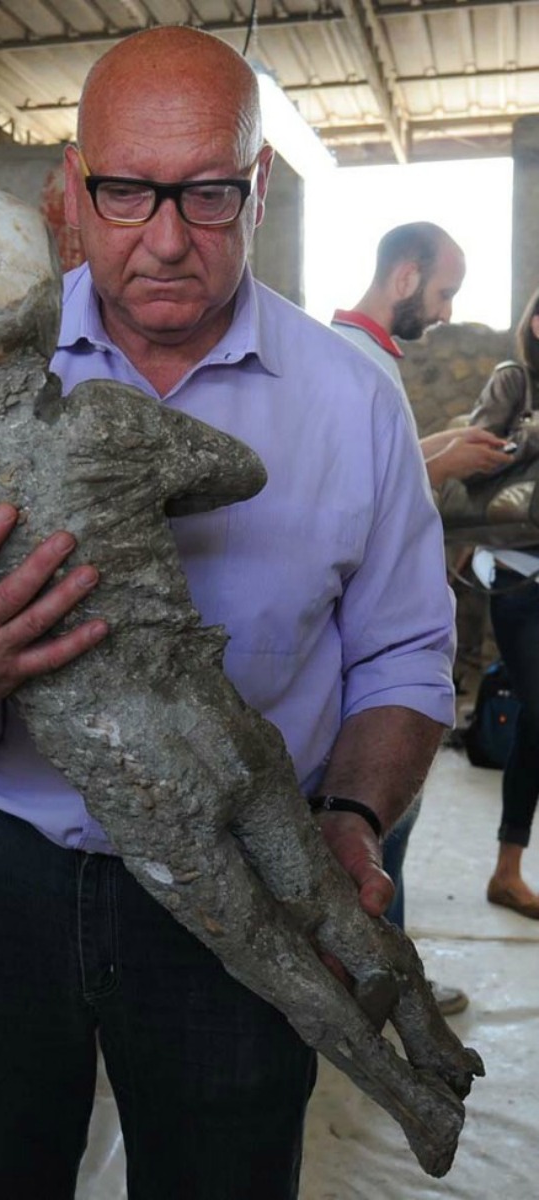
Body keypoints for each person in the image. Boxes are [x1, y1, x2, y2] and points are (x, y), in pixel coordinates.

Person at [0, 28, 457, 1200]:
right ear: (69, 194)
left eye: (204, 192)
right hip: (4, 876)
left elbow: (405, 653)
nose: (162, 236)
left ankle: (421, 1079)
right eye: (127, 190)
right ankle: (422, 1074)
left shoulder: (350, 398)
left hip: (241, 819)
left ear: (253, 189)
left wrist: (350, 815)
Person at [332, 222, 514, 1017]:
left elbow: (388, 455)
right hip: (361, 653)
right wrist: (442, 464)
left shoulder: (368, 358)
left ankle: (381, 967)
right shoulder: (349, 361)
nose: (446, 312)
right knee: (381, 822)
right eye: (444, 292)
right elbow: (356, 496)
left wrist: (440, 443)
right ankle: (385, 978)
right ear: (404, 278)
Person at [467, 286, 539, 919]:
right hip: (518, 567)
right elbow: (474, 460)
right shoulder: (514, 380)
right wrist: (530, 440)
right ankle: (507, 870)